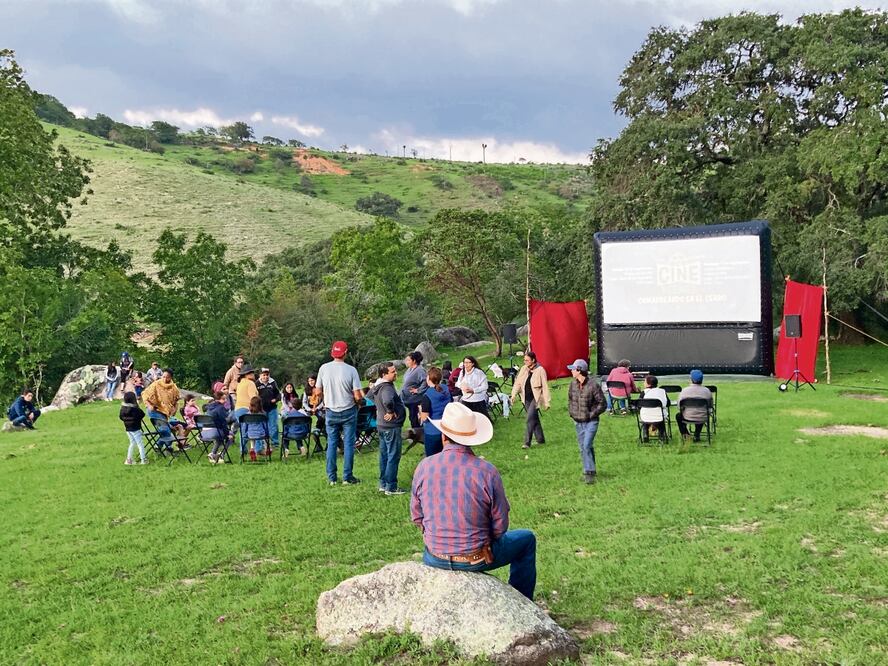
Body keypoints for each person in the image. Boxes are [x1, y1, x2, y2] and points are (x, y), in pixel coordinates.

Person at [411, 401, 536, 600]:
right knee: (526, 539)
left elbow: (417, 517)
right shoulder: (487, 471)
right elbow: (500, 524)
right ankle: (523, 602)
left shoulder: (424, 467)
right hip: (476, 557)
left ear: (443, 436)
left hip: (434, 555)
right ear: (472, 439)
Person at [315, 341, 364, 485]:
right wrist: (360, 402)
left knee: (332, 443)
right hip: (348, 410)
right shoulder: (351, 370)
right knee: (349, 444)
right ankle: (347, 477)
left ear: (332, 352)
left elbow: (317, 391)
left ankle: (332, 478)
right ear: (345, 352)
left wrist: (326, 398)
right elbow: (357, 395)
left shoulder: (324, 368)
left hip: (331, 410)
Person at [366, 361, 407, 495]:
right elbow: (388, 400)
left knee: (384, 455)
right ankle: (391, 486)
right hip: (391, 426)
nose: (396, 373)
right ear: (384, 374)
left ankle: (383, 484)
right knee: (393, 455)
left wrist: (380, 409)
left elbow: (369, 396)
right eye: (393, 372)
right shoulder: (387, 387)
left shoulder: (377, 386)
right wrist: (389, 411)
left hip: (381, 425)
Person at [567, 359, 607, 484]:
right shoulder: (573, 384)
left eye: (573, 369)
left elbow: (602, 403)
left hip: (591, 421)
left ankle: (588, 472)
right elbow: (570, 400)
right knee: (584, 447)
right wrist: (572, 413)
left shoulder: (593, 385)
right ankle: (592, 470)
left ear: (579, 370)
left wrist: (591, 414)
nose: (571, 371)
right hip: (577, 421)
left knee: (586, 445)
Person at [510, 351, 551, 449]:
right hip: (526, 397)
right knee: (534, 418)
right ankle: (541, 439)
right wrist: (513, 395)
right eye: (524, 360)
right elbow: (518, 383)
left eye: (527, 360)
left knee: (529, 418)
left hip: (536, 398)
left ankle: (527, 442)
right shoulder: (524, 369)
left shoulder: (540, 370)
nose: (525, 362)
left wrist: (547, 401)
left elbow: (545, 386)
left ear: (533, 360)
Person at [141, 368, 187, 442]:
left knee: (169, 430)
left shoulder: (174, 388)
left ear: (171, 377)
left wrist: (174, 409)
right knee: (165, 430)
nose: (165, 379)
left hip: (165, 413)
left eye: (167, 377)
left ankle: (164, 447)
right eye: (163, 376)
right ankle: (162, 447)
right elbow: (145, 394)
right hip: (155, 410)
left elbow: (176, 400)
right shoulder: (156, 384)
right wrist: (149, 405)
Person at [418, 367, 452, 457]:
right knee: (446, 456)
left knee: (433, 458)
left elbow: (425, 417)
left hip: (433, 431)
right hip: (447, 429)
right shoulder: (446, 389)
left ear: (428, 378)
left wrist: (420, 411)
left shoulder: (427, 395)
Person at [676, 369, 713, 442]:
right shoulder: (707, 391)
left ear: (691, 379)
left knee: (678, 416)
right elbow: (710, 405)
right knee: (701, 412)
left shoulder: (684, 391)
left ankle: (686, 435)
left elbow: (679, 406)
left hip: (687, 417)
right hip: (703, 417)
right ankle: (697, 434)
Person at [233, 365, 259, 457]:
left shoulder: (240, 384)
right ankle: (257, 449)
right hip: (247, 409)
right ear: (246, 374)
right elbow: (253, 399)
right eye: (251, 372)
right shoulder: (250, 383)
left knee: (243, 430)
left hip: (237, 409)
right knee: (254, 429)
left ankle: (243, 450)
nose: (253, 374)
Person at [401, 351, 428, 429]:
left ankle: (417, 433)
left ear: (414, 361)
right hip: (408, 398)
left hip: (414, 399)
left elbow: (425, 381)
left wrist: (418, 390)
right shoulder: (410, 369)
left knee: (413, 416)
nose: (407, 362)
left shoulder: (420, 370)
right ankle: (415, 432)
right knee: (412, 416)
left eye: (408, 360)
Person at [256, 367, 281, 452]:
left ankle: (275, 443)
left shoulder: (273, 383)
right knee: (262, 427)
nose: (266, 377)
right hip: (261, 409)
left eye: (267, 375)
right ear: (260, 375)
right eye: (264, 375)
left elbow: (278, 394)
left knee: (273, 426)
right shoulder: (257, 384)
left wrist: (276, 399)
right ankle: (263, 444)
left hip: (272, 408)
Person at [119, 391, 147, 465]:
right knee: (140, 444)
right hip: (136, 428)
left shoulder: (123, 409)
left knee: (132, 443)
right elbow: (142, 414)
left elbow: (121, 417)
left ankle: (129, 460)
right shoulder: (135, 409)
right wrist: (137, 406)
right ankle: (143, 460)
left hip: (128, 429)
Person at [205, 390, 232, 464]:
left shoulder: (209, 407)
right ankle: (221, 455)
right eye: (224, 399)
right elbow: (224, 423)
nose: (226, 400)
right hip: (214, 431)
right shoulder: (220, 408)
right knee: (231, 436)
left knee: (219, 438)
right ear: (220, 399)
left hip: (204, 433)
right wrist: (228, 434)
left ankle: (212, 454)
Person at [639, 374, 668, 442]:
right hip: (660, 416)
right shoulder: (662, 391)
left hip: (645, 416)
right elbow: (668, 403)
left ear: (648, 385)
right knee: (661, 419)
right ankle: (661, 436)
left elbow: (639, 404)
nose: (643, 383)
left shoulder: (644, 393)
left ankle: (645, 434)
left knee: (645, 418)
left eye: (645, 381)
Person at [244, 395, 268, 461]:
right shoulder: (262, 414)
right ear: (260, 405)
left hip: (250, 434)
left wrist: (245, 433)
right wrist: (267, 433)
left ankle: (252, 448)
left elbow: (245, 426)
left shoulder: (247, 415)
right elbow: (265, 426)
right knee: (265, 439)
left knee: (252, 437)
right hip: (260, 433)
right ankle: (267, 448)